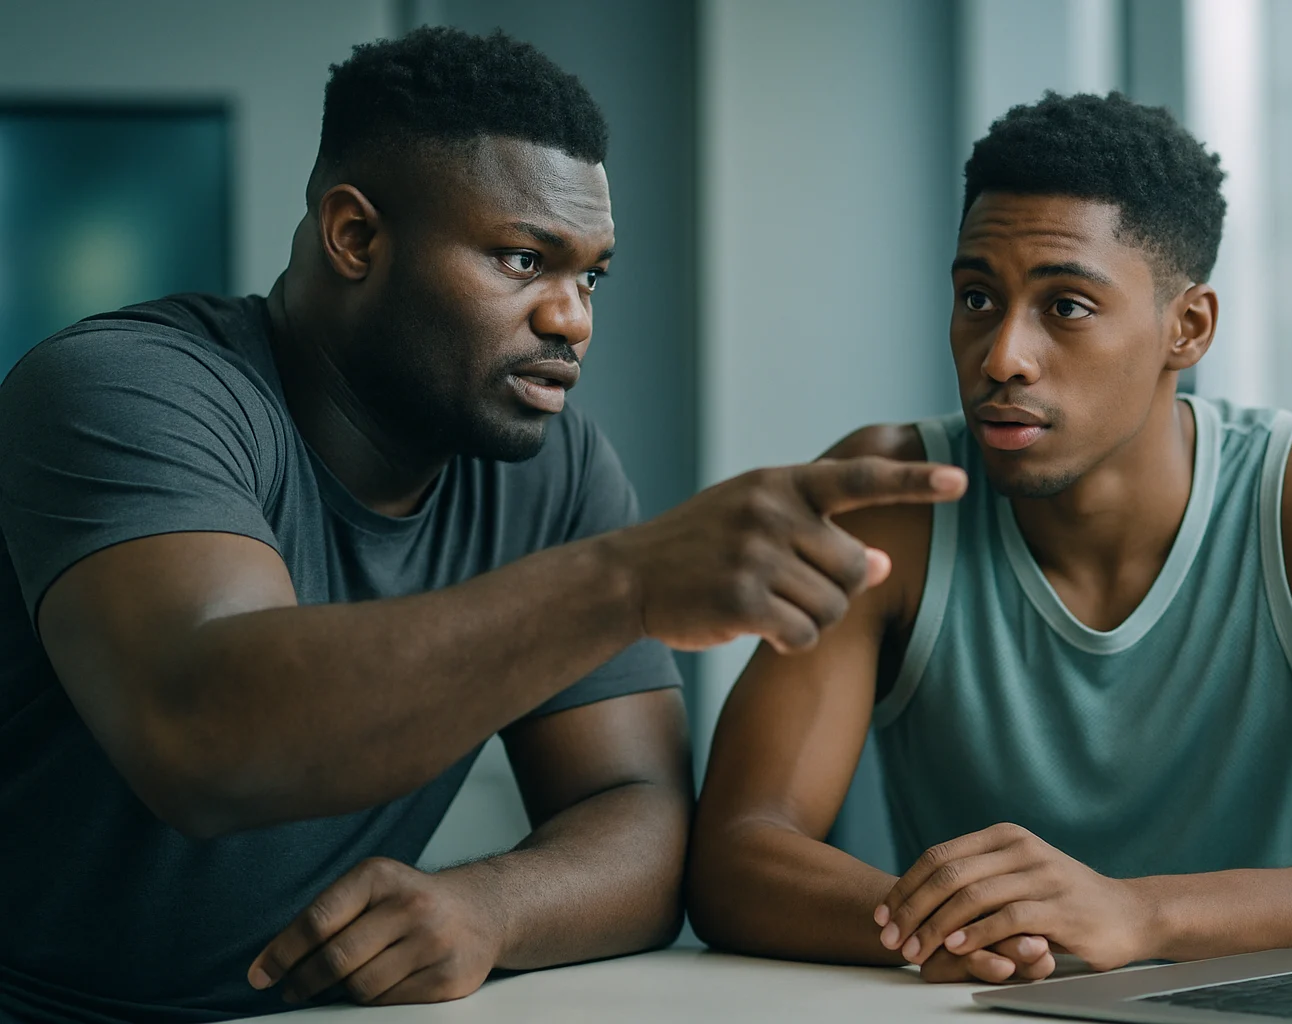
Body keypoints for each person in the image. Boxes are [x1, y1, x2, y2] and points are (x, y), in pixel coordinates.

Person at [0, 28, 965, 1024]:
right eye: (522, 259)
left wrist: (491, 906)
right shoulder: (126, 390)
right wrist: (627, 581)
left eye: (590, 276)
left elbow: (641, 816)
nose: (573, 320)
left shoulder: (553, 467)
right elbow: (204, 736)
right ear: (356, 237)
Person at [687, 91, 1292, 985]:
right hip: (983, 1006)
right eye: (978, 296)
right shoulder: (890, 501)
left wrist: (1138, 913)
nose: (1002, 356)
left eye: (1066, 307)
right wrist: (966, 932)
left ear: (1189, 327)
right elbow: (739, 854)